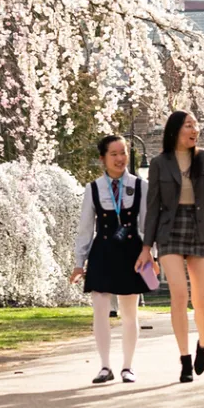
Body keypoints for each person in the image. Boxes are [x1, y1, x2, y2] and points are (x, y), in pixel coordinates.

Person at [137, 111, 204, 383]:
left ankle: (203, 343)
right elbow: (152, 208)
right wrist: (147, 247)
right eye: (189, 125)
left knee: (202, 299)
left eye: (196, 125)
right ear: (175, 130)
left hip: (201, 227)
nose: (194, 130)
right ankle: (184, 359)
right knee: (179, 295)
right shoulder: (158, 163)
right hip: (169, 230)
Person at [72, 135, 151, 384]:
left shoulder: (141, 186)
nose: (119, 159)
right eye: (113, 154)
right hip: (103, 252)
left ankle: (128, 366)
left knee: (129, 313)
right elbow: (85, 228)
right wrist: (78, 262)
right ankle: (105, 366)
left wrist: (150, 253)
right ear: (102, 159)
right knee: (100, 311)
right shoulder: (93, 188)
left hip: (133, 253)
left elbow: (147, 224)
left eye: (123, 153)